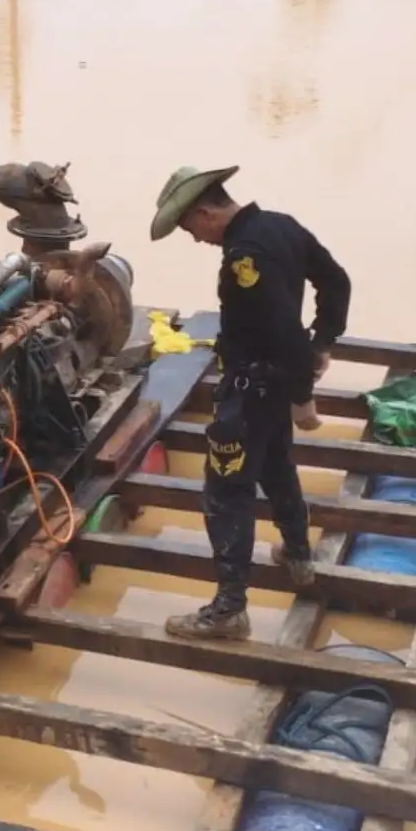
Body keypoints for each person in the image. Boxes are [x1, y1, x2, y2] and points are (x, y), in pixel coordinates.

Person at [149, 165, 351, 642]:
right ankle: (298, 555)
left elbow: (281, 327)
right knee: (277, 466)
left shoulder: (245, 257)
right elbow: (336, 282)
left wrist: (304, 395)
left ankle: (229, 609)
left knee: (226, 491)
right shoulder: (281, 225)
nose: (196, 240)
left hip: (252, 388)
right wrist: (323, 342)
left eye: (190, 229)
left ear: (205, 212)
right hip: (274, 386)